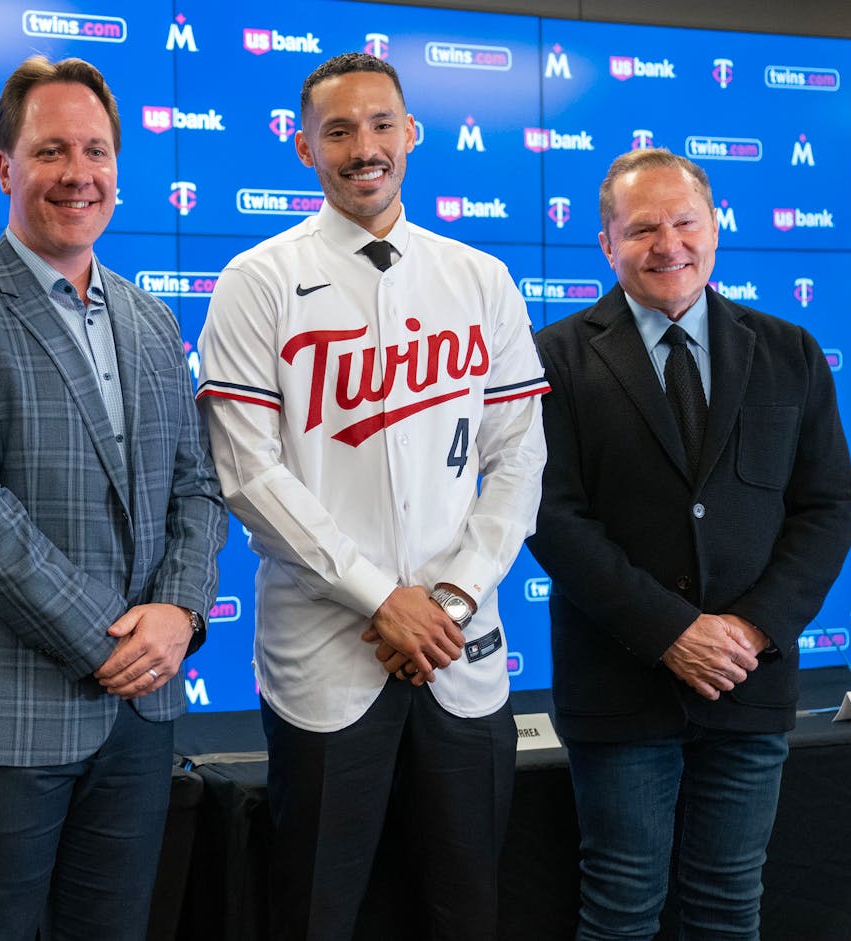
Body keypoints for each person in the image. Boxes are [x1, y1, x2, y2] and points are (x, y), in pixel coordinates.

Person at [196, 52, 549, 939]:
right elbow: (247, 473)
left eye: (381, 124)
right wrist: (380, 597)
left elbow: (517, 463)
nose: (365, 147)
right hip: (326, 655)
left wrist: (452, 598)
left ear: (412, 134)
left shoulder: (480, 278)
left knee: (465, 911)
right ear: (303, 147)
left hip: (460, 656)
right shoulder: (257, 279)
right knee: (314, 911)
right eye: (339, 130)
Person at [0, 55, 227, 941]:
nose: (77, 174)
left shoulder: (152, 317)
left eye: (96, 151)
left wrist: (180, 614)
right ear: (5, 168)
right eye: (50, 151)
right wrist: (113, 640)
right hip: (7, 715)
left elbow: (198, 485)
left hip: (141, 713)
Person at [527, 148, 851, 940]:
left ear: (715, 229)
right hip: (620, 687)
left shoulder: (791, 351)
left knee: (728, 905)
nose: (667, 243)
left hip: (751, 684)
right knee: (621, 908)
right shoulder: (554, 357)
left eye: (685, 222)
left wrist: (749, 629)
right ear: (607, 243)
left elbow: (827, 506)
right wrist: (672, 633)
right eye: (642, 228)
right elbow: (550, 516)